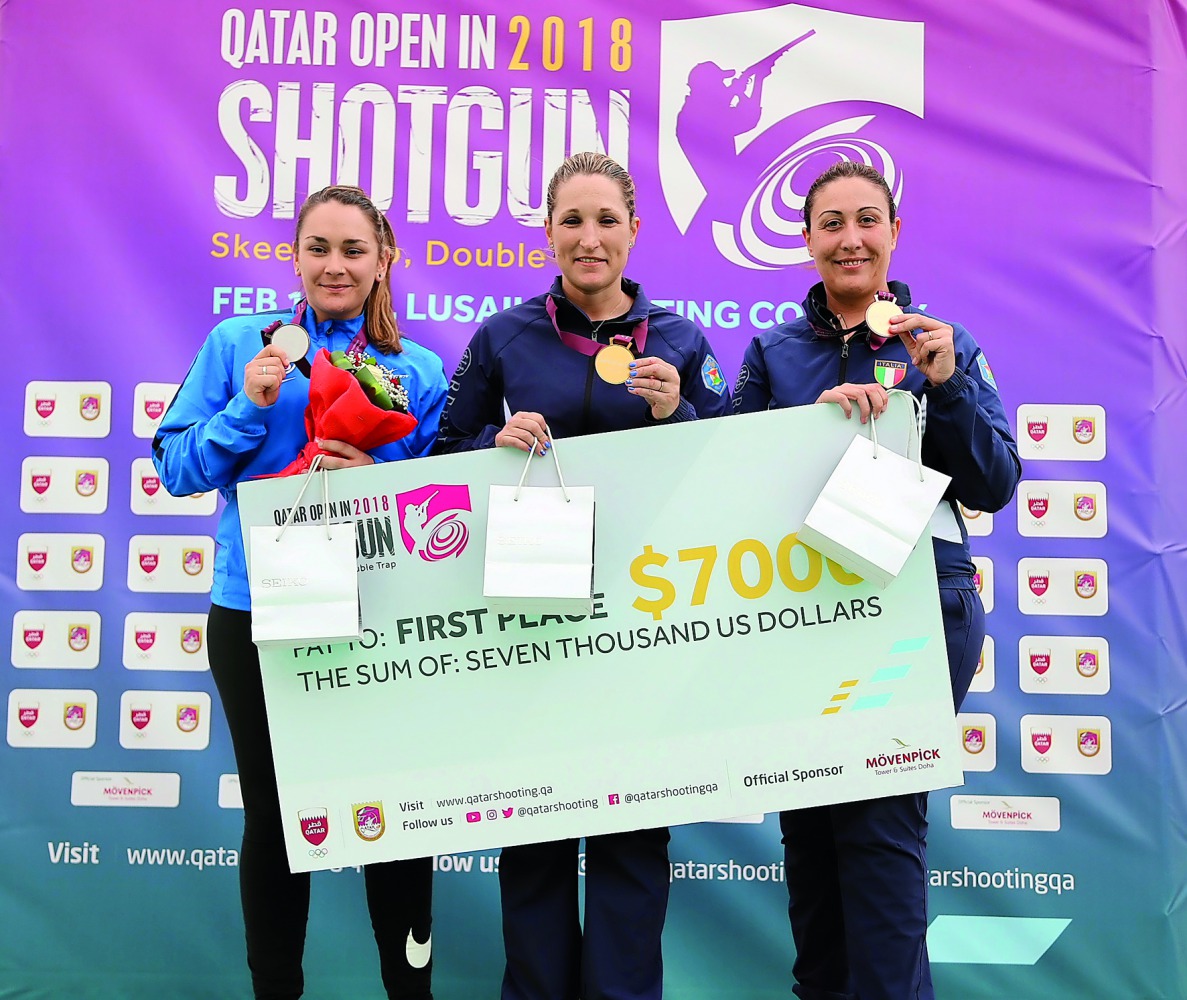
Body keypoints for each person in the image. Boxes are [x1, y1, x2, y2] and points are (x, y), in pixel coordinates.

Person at [434, 151, 732, 1000]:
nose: (589, 238)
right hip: (531, 620)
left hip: (643, 621)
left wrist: (684, 409)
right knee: (530, 834)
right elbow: (438, 452)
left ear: (635, 231)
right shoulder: (502, 335)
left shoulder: (679, 340)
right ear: (549, 234)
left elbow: (735, 461)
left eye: (606, 221)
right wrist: (489, 447)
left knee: (631, 842)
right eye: (572, 220)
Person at [733, 161, 1021, 1000]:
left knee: (875, 827)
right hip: (800, 615)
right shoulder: (773, 353)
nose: (850, 238)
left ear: (893, 233)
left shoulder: (941, 342)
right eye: (830, 223)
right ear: (805, 241)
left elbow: (993, 485)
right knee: (811, 833)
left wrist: (946, 385)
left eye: (866, 220)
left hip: (920, 604)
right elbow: (724, 476)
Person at [153, 185, 447, 1000]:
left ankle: (408, 993)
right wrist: (249, 408)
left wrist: (380, 474)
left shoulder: (416, 371)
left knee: (393, 814)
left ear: (383, 260)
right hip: (256, 612)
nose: (335, 265)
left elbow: (445, 514)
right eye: (318, 247)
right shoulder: (237, 346)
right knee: (277, 820)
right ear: (294, 257)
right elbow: (176, 468)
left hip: (376, 614)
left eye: (354, 249)